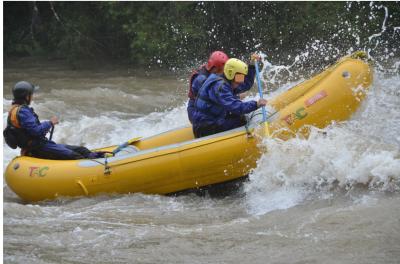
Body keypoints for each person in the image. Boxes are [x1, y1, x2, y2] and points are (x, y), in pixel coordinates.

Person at [3, 81, 105, 160]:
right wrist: (50, 122)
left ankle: (96, 156)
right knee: (75, 155)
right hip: (37, 148)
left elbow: (30, 130)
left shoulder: (14, 109)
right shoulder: (23, 111)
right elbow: (36, 131)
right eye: (31, 94)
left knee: (82, 150)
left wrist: (46, 126)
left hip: (40, 144)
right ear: (26, 96)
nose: (32, 97)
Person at [192, 57, 267, 138]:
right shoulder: (220, 86)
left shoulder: (228, 79)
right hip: (205, 128)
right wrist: (256, 104)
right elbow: (235, 106)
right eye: (239, 77)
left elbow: (246, 84)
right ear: (231, 73)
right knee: (241, 120)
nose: (240, 81)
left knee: (239, 116)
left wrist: (251, 66)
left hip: (212, 121)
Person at [187, 51, 229, 123]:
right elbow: (219, 97)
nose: (223, 72)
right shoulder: (201, 79)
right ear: (214, 68)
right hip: (196, 112)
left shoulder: (213, 72)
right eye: (222, 69)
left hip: (205, 108)